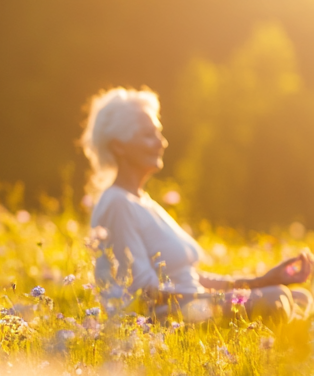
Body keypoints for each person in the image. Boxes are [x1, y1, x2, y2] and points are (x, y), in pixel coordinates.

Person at [82, 88, 312, 321]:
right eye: (148, 135)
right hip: (171, 318)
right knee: (276, 298)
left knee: (298, 297)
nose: (162, 142)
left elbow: (190, 278)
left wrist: (262, 281)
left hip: (196, 306)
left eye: (159, 133)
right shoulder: (117, 204)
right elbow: (143, 294)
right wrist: (230, 298)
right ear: (119, 146)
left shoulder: (143, 202)